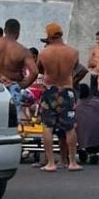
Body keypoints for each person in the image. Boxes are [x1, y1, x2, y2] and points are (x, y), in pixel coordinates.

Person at [36, 22, 81, 172]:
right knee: (69, 127)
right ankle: (72, 162)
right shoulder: (73, 52)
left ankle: (50, 163)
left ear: (48, 36)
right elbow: (75, 68)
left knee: (47, 127)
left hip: (49, 90)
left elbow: (39, 70)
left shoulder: (44, 53)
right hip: (67, 91)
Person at [0, 18, 38, 115]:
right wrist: (21, 85)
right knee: (10, 122)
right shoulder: (23, 50)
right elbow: (34, 72)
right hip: (11, 88)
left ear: (5, 30)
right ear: (18, 33)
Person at [74, 85, 99, 164]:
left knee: (80, 132)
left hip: (82, 138)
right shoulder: (97, 103)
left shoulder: (76, 106)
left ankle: (86, 152)